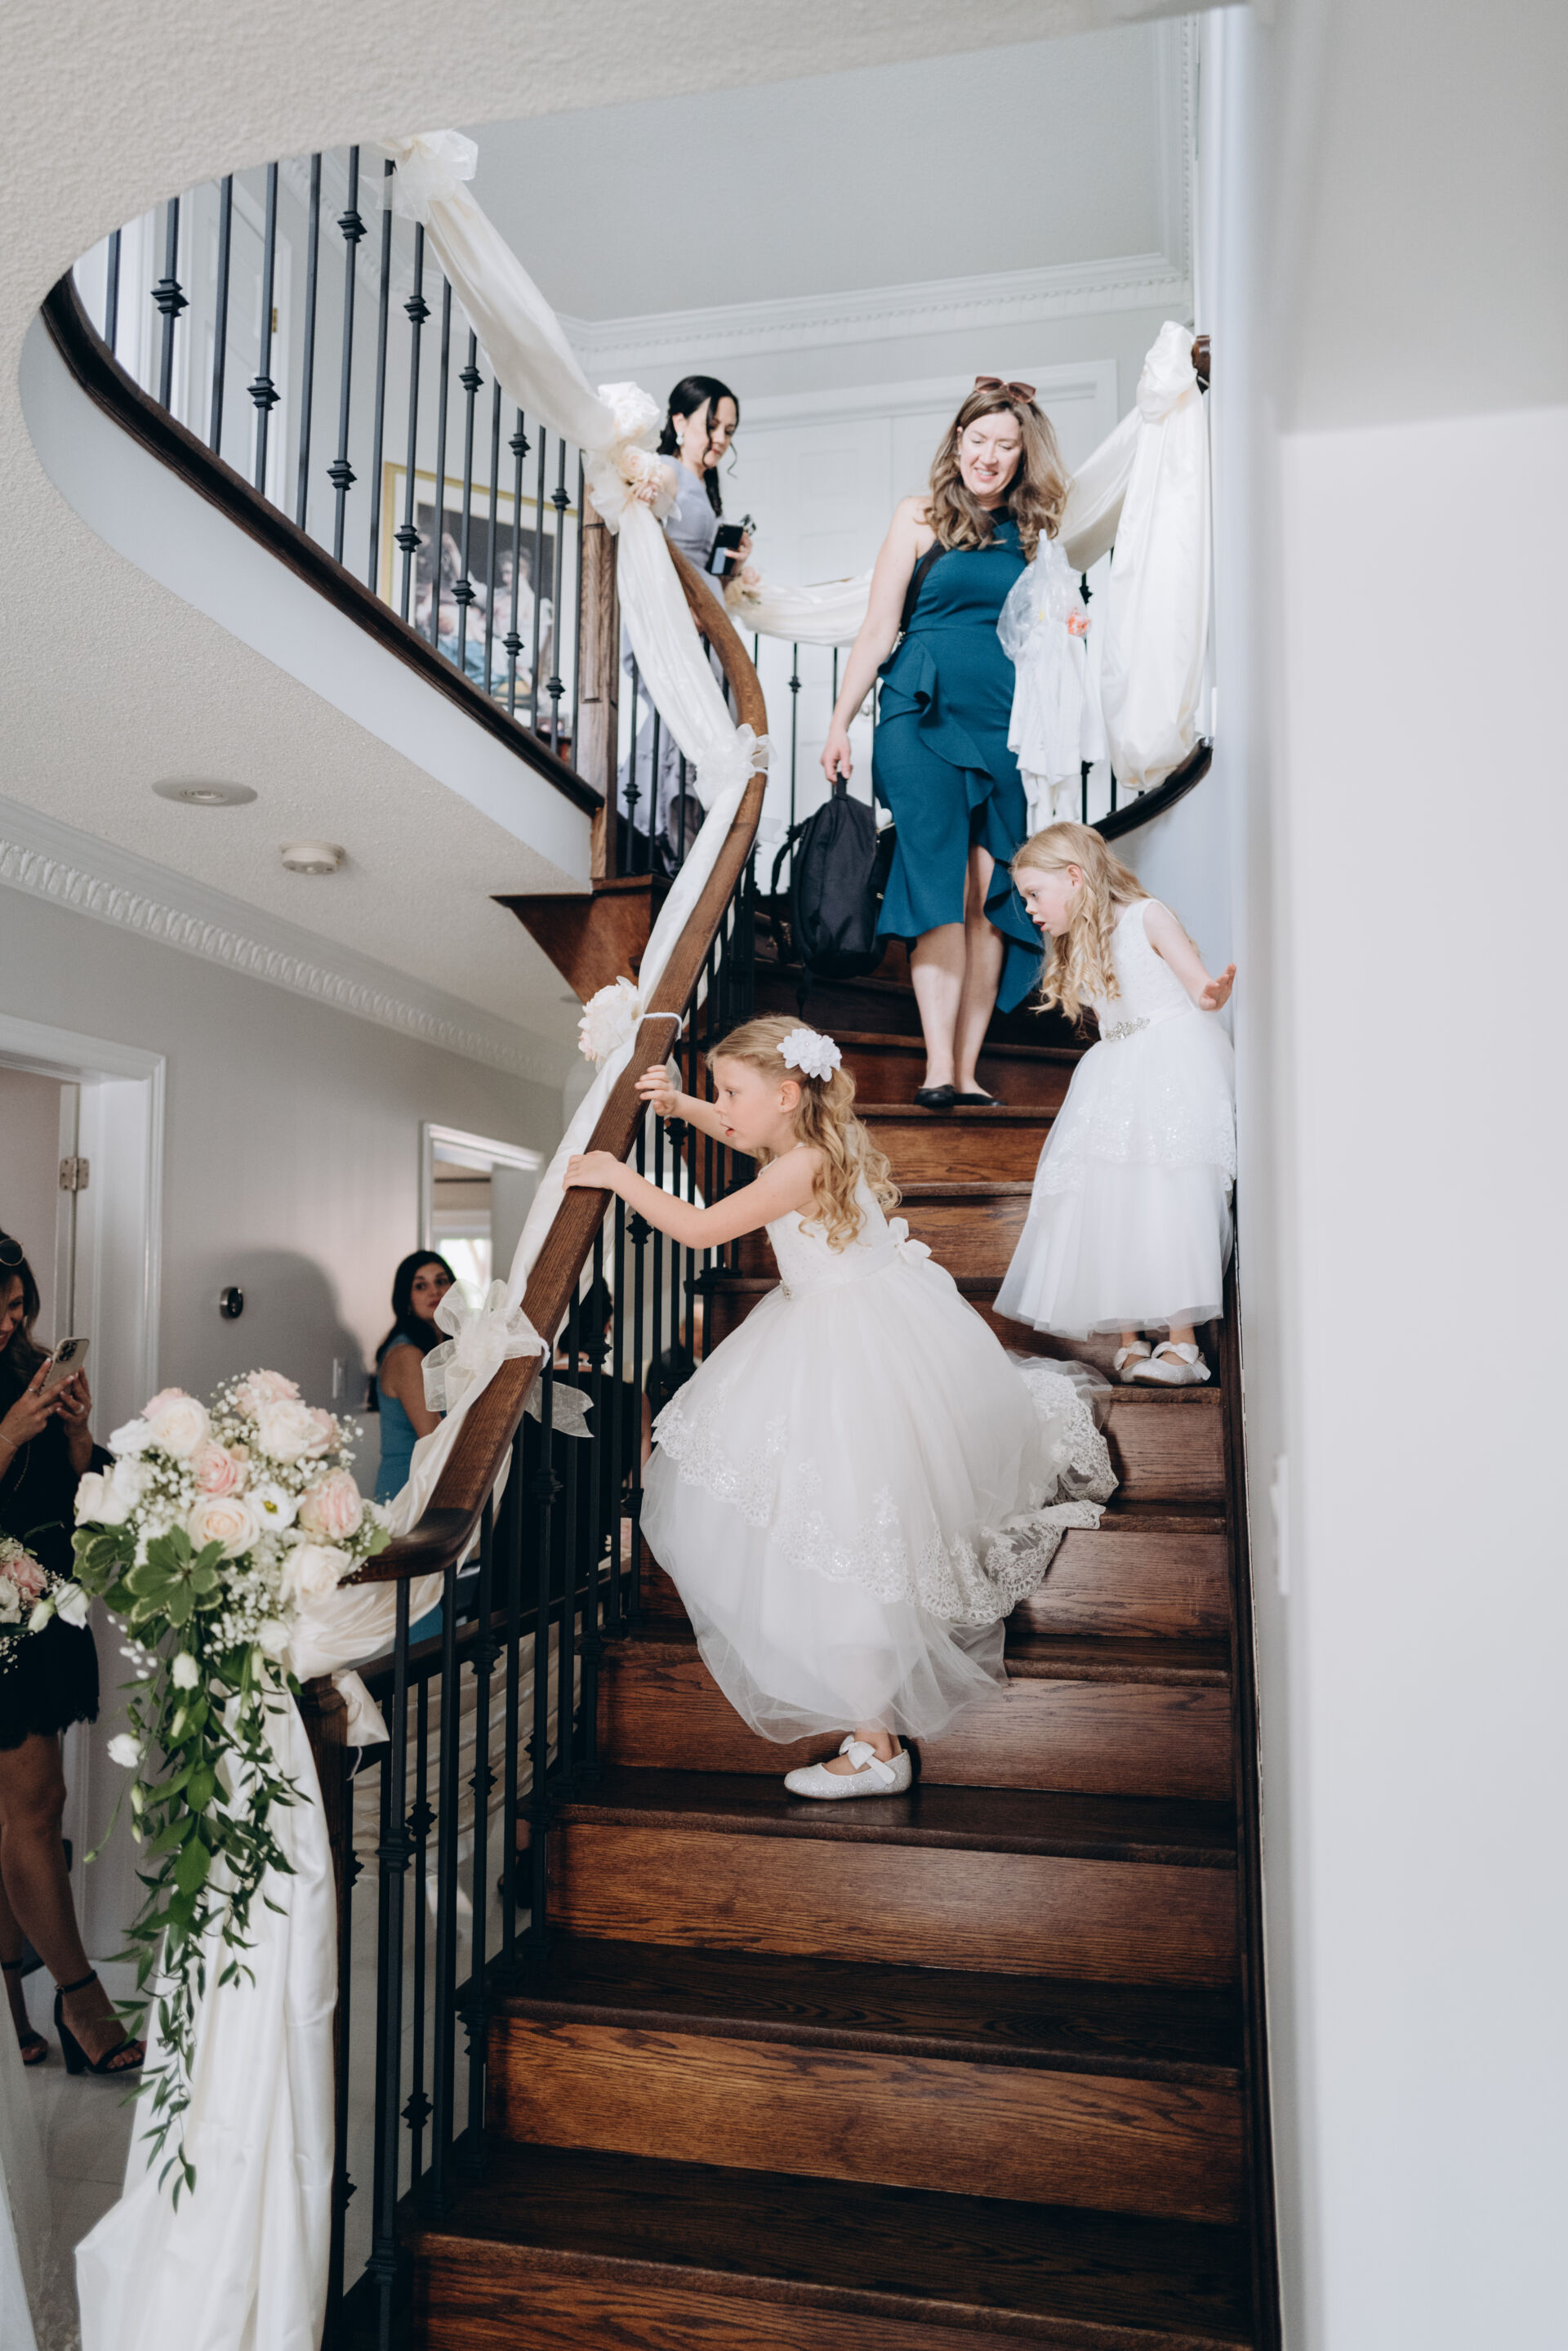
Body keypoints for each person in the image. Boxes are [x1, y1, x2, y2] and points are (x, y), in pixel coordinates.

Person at [564, 1018, 1113, 1799]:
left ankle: (877, 1745)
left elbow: (700, 1228)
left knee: (847, 1522)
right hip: (849, 1323)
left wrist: (619, 1176)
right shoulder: (810, 1141)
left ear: (787, 1095)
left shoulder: (799, 1167)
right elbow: (737, 1129)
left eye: (732, 1091)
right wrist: (684, 1106)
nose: (725, 1107)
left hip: (844, 1348)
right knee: (826, 1517)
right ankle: (872, 1731)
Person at [819, 378, 1070, 1109]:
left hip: (1004, 721)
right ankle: (934, 1067)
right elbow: (877, 629)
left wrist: (1069, 628)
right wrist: (839, 721)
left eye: (1005, 445)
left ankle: (965, 1069)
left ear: (1023, 455)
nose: (988, 456)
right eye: (977, 440)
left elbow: (1046, 629)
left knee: (990, 892)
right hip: (920, 710)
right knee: (936, 882)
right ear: (958, 442)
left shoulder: (1037, 532)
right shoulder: (919, 516)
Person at [995, 823, 1237, 1384]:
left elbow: (1198, 989)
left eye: (1034, 894)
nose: (1029, 909)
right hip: (1114, 1068)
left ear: (1074, 877)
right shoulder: (1078, 940)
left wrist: (1213, 994)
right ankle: (1130, 1337)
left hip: (1169, 1060)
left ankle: (1184, 1343)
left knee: (1166, 1189)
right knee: (1109, 1195)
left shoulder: (1147, 916)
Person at [0, 1230, 143, 2077]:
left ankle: (14, 2007)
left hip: (45, 1605)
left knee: (21, 1812)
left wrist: (79, 1434)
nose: (11, 1323)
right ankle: (80, 1999)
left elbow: (79, 1488)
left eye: (19, 1306)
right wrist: (7, 1433)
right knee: (35, 1804)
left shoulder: (32, 1368)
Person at [618, 373, 753, 871]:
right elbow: (644, 545)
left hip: (706, 627)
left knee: (697, 726)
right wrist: (681, 610)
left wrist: (733, 566)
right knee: (684, 722)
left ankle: (679, 837)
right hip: (682, 626)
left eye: (729, 431)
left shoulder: (701, 486)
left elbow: (699, 562)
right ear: (679, 421)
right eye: (711, 426)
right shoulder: (668, 473)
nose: (720, 439)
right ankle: (662, 833)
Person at [369, 1251, 457, 1506]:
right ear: (406, 1300)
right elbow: (432, 1436)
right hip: (408, 1488)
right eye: (421, 1286)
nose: (435, 1291)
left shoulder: (445, 1350)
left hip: (433, 1482)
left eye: (441, 1281)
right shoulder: (406, 1355)